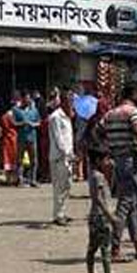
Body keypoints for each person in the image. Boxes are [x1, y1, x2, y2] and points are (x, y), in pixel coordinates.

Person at [102, 83, 137, 261]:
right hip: (130, 159)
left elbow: (98, 132)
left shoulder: (110, 113)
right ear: (133, 94)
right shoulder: (133, 112)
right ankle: (115, 248)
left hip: (117, 159)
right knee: (125, 203)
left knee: (131, 204)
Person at [85, 150, 120, 273]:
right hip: (101, 218)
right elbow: (98, 198)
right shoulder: (98, 177)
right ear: (98, 161)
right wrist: (110, 216)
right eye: (106, 159)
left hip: (94, 217)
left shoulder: (95, 175)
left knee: (92, 248)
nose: (109, 162)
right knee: (105, 248)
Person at [49, 88, 75, 226]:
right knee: (59, 186)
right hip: (59, 157)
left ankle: (62, 212)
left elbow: (69, 138)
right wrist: (67, 154)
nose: (71, 104)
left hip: (68, 157)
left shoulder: (68, 116)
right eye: (69, 101)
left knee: (67, 186)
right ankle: (58, 215)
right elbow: (59, 139)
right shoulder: (55, 117)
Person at [12, 91, 40, 187]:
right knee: (20, 160)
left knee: (34, 160)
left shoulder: (34, 110)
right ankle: (20, 179)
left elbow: (39, 122)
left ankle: (33, 180)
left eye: (29, 98)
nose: (27, 100)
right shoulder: (16, 110)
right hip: (21, 138)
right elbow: (13, 123)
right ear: (22, 99)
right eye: (26, 98)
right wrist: (22, 123)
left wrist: (33, 124)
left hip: (32, 137)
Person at [0, 101, 18, 186]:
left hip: (6, 139)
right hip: (14, 138)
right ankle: (14, 178)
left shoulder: (3, 117)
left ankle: (8, 179)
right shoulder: (14, 116)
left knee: (7, 159)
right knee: (14, 158)